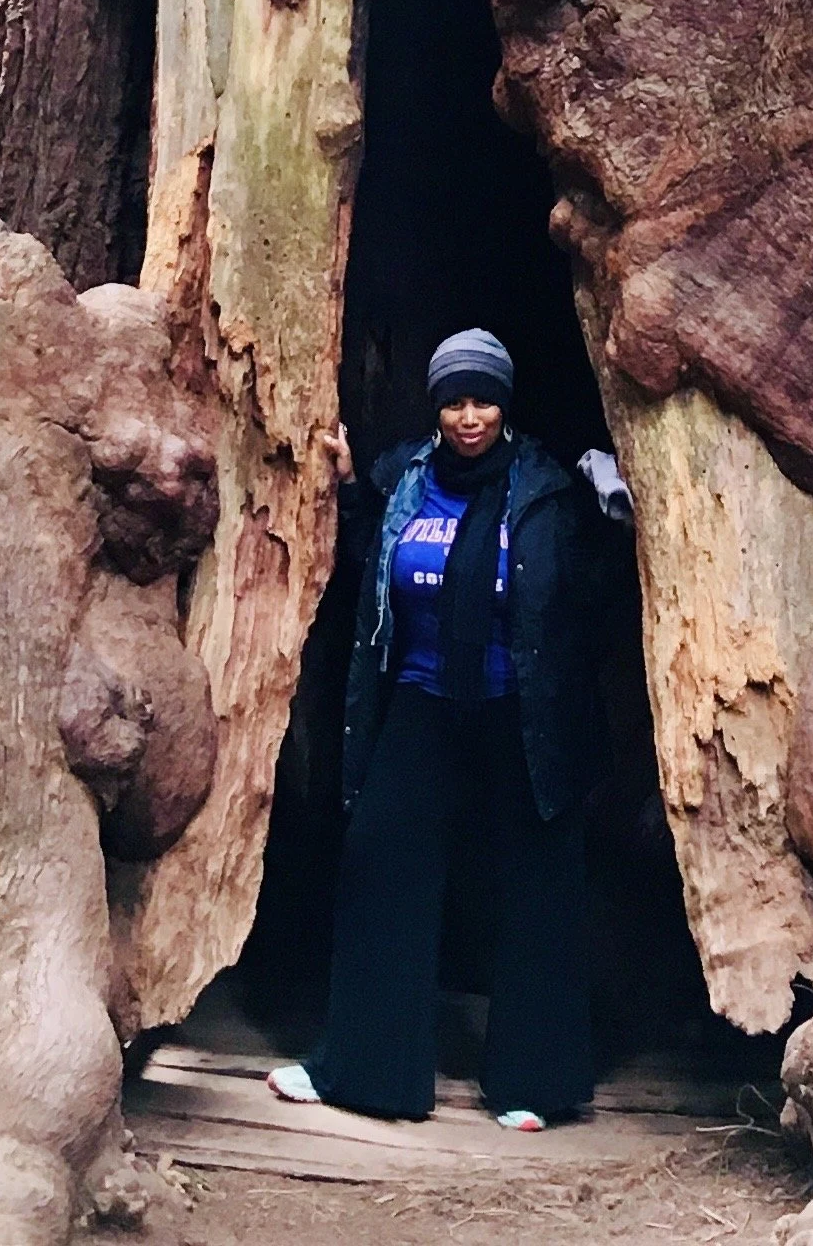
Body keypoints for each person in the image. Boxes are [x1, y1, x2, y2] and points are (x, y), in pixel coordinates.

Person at [267, 327, 632, 1131]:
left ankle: (533, 1083)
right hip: (424, 699)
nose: (471, 417)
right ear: (438, 407)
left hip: (522, 711)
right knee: (380, 865)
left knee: (537, 885)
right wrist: (350, 489)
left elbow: (590, 597)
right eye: (456, 401)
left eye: (485, 400)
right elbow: (373, 565)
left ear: (506, 404)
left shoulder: (545, 490)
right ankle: (365, 1070)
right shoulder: (406, 478)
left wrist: (615, 519)